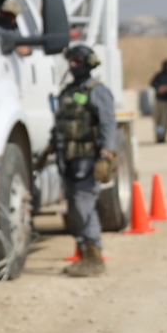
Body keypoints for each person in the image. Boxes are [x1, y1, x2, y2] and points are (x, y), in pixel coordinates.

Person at [54, 45, 116, 277]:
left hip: (88, 160)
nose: (72, 65)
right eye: (70, 60)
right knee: (75, 207)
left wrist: (105, 155)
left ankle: (94, 256)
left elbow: (108, 124)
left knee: (84, 205)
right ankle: (84, 253)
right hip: (68, 160)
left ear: (89, 63)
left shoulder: (97, 91)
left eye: (77, 60)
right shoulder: (68, 91)